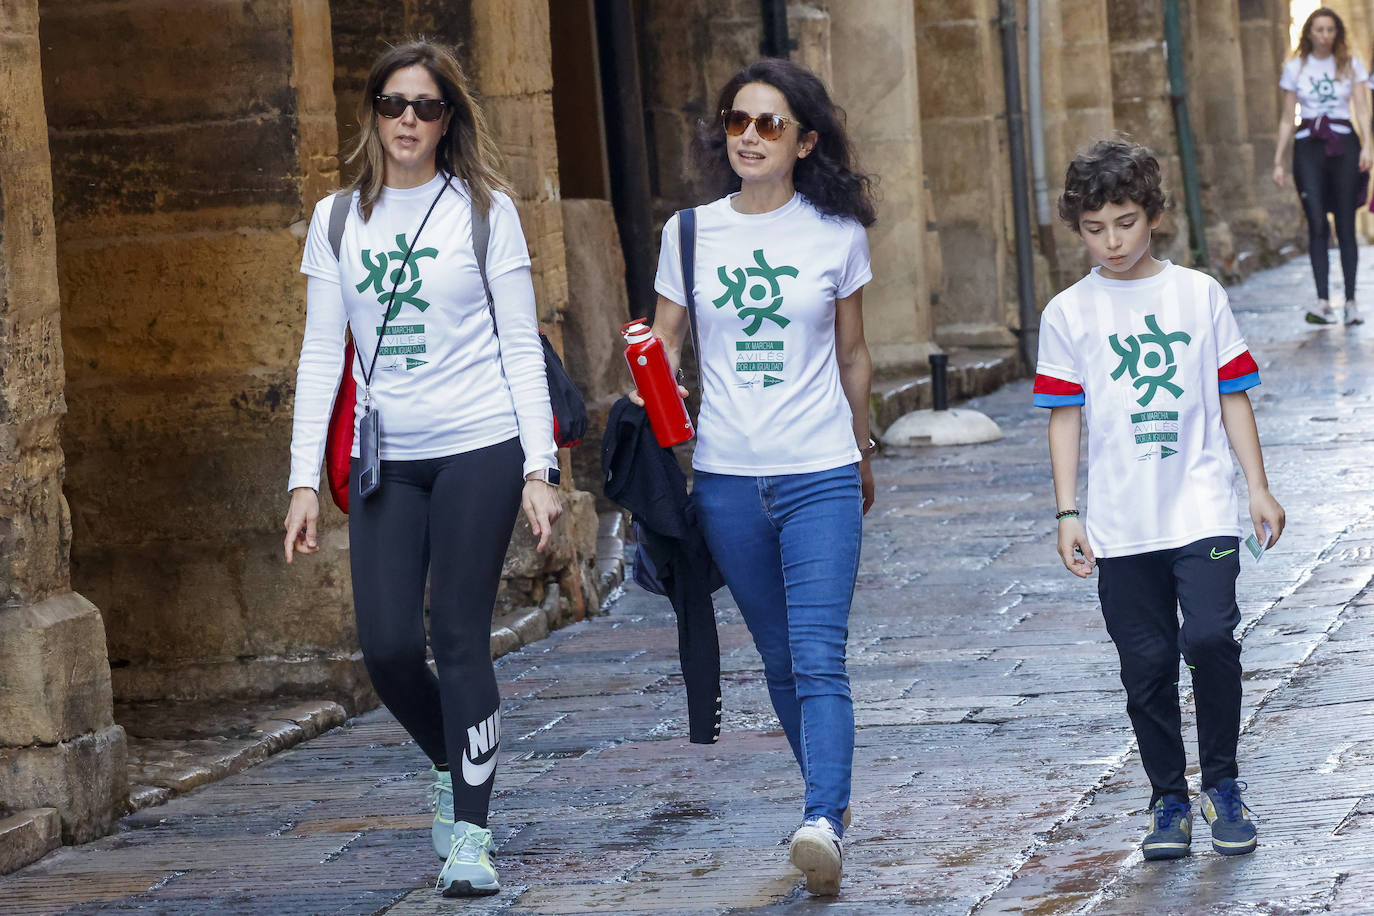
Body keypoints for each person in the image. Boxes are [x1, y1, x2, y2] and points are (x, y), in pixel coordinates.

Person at [282, 40, 561, 898]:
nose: (409, 119)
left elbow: (521, 344)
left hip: (481, 444)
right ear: (372, 112)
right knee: (390, 645)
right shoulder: (337, 218)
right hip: (387, 458)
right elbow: (322, 353)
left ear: (449, 120)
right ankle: (449, 755)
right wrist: (300, 481)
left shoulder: (484, 211)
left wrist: (540, 467)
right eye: (394, 103)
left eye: (428, 107)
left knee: (459, 636)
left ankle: (471, 837)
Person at [633, 58, 876, 896]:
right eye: (737, 122)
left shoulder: (835, 232)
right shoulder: (690, 232)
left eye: (769, 124)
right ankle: (828, 809)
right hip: (727, 478)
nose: (749, 136)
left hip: (819, 471)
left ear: (805, 141)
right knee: (777, 658)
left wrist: (862, 449)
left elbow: (851, 353)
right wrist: (656, 400)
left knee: (817, 654)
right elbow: (662, 347)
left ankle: (822, 817)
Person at [1035, 139, 1286, 862]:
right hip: (1121, 520)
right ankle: (1168, 798)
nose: (1111, 241)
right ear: (1077, 228)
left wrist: (1258, 488)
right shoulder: (1068, 312)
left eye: (1125, 221)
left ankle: (1225, 785)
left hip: (1200, 505)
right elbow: (1065, 416)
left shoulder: (1197, 294)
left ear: (1154, 215)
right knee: (1144, 664)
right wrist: (1066, 511)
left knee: (1209, 637)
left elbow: (1233, 395)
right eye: (1094, 228)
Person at [1273, 6, 1371, 326]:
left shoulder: (1350, 65)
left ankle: (1352, 302)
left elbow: (1362, 109)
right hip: (1309, 146)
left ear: (1337, 33)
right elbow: (1288, 118)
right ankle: (1322, 301)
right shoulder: (1296, 67)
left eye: (1330, 30)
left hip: (1344, 144)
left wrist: (1367, 145)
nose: (1325, 36)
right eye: (1319, 30)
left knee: (1344, 223)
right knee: (1316, 222)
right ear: (1309, 33)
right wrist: (1278, 160)